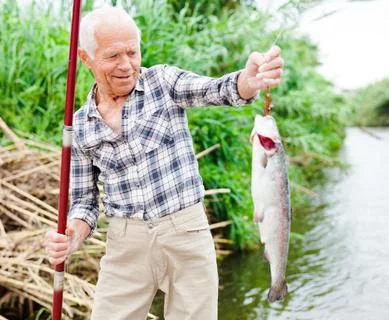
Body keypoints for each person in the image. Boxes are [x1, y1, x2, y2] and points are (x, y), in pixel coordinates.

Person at [43, 6, 283, 320]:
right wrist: (73, 233)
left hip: (185, 233)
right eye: (113, 56)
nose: (126, 65)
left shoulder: (164, 82)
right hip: (125, 245)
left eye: (132, 52)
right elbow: (85, 202)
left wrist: (248, 81)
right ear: (86, 58)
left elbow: (217, 90)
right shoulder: (79, 128)